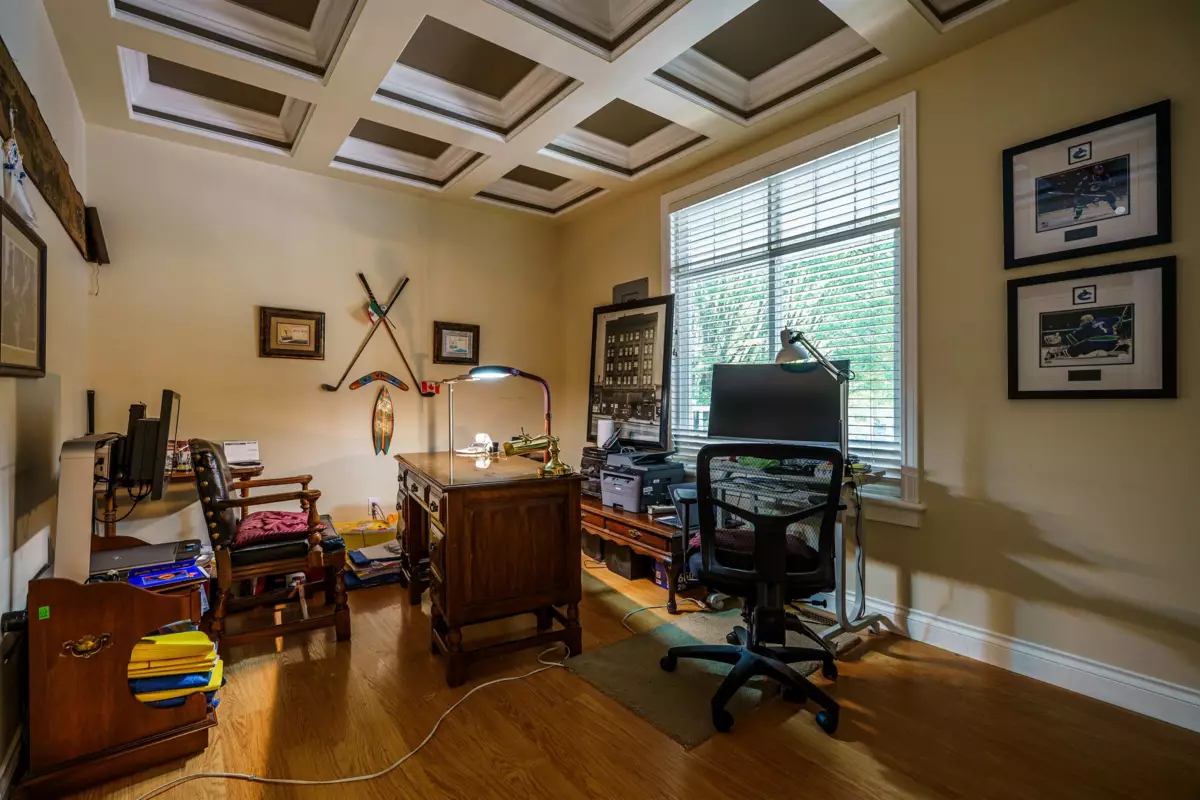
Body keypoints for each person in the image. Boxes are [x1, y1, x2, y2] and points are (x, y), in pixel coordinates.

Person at [1043, 312, 1129, 362]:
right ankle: (1126, 347)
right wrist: (1117, 324)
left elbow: (1071, 338)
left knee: (1087, 343)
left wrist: (1059, 339)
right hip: (1113, 340)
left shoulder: (1086, 326)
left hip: (1102, 340)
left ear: (1085, 321)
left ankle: (1056, 354)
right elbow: (1118, 319)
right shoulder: (1101, 319)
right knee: (1095, 343)